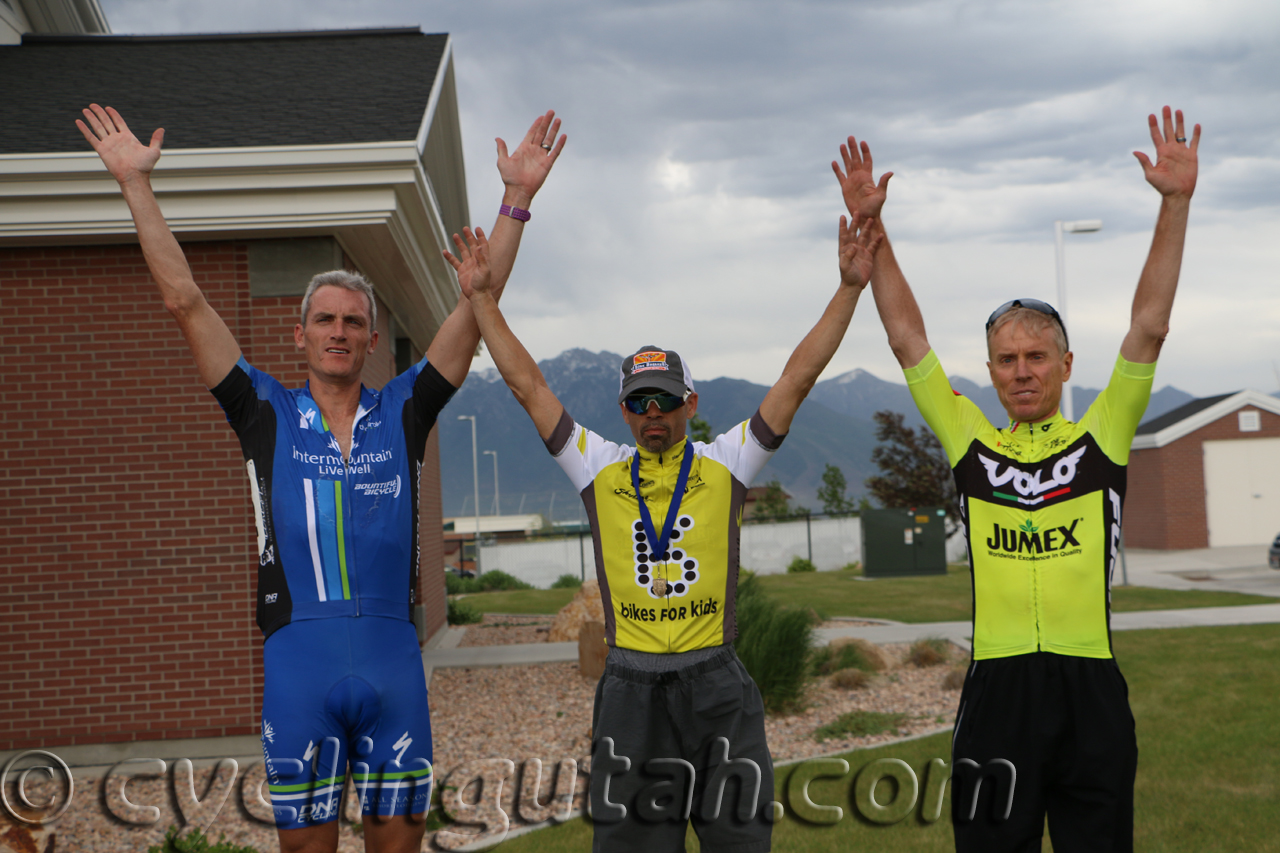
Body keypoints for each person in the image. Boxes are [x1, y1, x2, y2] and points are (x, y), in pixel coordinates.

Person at [76, 103, 565, 853]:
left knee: (397, 842)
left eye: (353, 322)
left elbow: (474, 310)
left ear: (373, 339)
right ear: (298, 334)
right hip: (299, 664)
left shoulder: (405, 407)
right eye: (325, 319)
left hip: (392, 661)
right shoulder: (262, 409)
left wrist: (517, 202)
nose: (339, 331)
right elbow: (185, 300)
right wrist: (135, 185)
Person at [442, 205, 882, 851]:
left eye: (667, 401)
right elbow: (527, 384)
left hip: (718, 688)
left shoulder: (726, 461)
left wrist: (848, 288)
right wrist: (481, 299)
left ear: (691, 404)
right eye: (641, 402)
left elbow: (798, 375)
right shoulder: (599, 467)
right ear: (623, 411)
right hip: (631, 694)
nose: (655, 415)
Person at [834, 107, 1199, 852]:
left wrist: (1175, 204)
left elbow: (1150, 326)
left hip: (1089, 691)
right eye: (1007, 359)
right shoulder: (971, 441)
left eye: (1037, 356)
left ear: (1066, 366)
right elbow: (908, 341)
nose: (1023, 370)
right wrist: (876, 230)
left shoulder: (1103, 434)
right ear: (992, 371)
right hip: (996, 696)